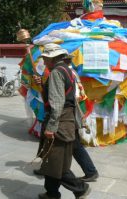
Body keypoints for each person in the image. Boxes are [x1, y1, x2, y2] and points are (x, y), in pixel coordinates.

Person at [33, 52, 99, 183]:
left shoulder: (60, 72)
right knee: (71, 145)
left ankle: (85, 175)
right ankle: (47, 168)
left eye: (46, 60)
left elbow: (60, 98)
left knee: (63, 147)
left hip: (64, 115)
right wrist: (42, 84)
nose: (45, 63)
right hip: (67, 114)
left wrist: (52, 124)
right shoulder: (67, 72)